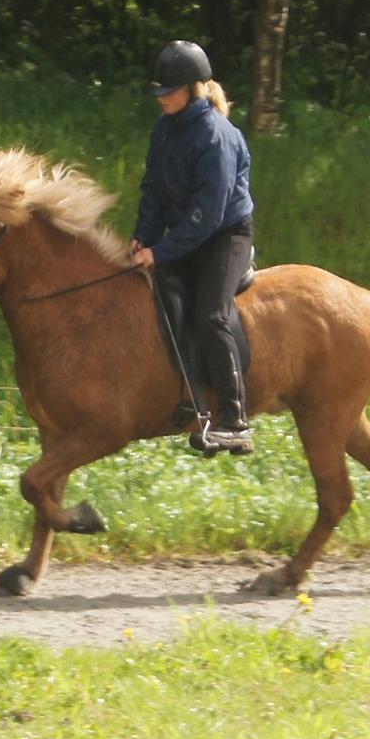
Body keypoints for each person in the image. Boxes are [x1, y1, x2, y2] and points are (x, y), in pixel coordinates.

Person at [130, 40, 255, 455]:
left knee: (210, 313)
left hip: (225, 234)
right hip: (187, 231)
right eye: (160, 92)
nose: (161, 98)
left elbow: (209, 213)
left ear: (192, 89)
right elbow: (153, 190)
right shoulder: (166, 129)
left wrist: (162, 251)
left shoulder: (216, 135)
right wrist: (144, 236)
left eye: (169, 91)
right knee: (160, 294)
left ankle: (235, 420)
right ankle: (192, 400)